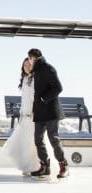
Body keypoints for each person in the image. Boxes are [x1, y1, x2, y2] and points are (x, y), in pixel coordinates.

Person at [27, 48, 69, 179]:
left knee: (53, 139)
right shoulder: (35, 71)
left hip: (50, 111)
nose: (29, 61)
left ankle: (64, 165)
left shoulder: (48, 68)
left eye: (30, 59)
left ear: (33, 58)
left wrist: (44, 98)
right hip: (39, 112)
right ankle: (45, 166)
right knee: (38, 139)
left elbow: (58, 87)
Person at [3, 58, 39, 174]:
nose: (27, 67)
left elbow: (35, 97)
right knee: (24, 142)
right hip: (24, 115)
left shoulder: (35, 79)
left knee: (32, 142)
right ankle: (26, 166)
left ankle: (34, 166)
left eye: (29, 65)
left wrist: (35, 111)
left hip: (33, 115)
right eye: (25, 65)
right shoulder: (24, 79)